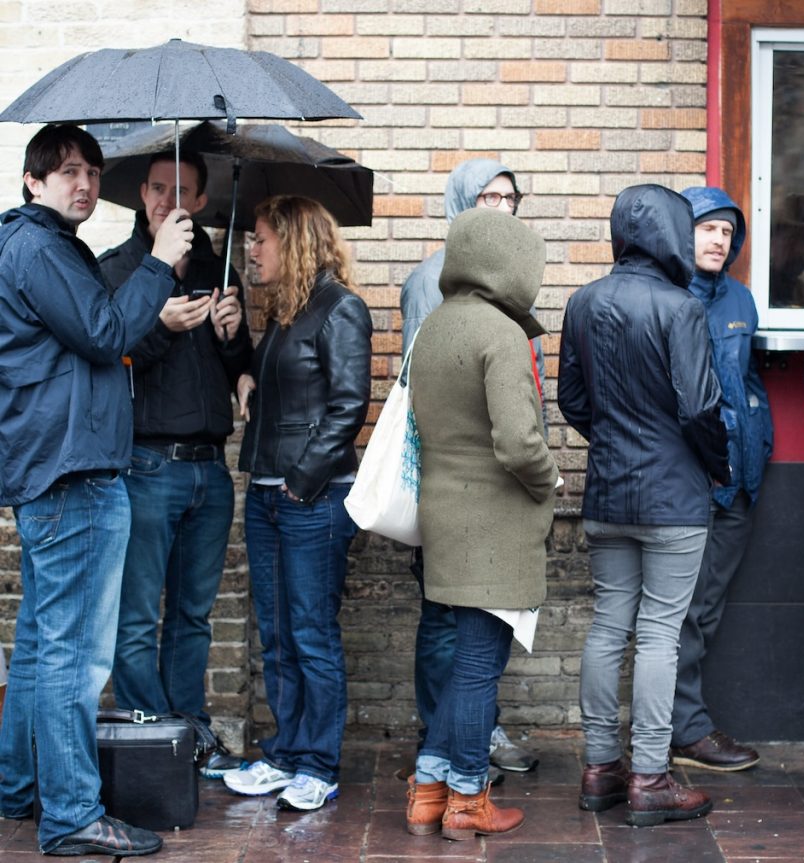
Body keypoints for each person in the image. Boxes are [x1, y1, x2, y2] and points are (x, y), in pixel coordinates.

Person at [0, 124, 192, 856]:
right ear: (32, 181)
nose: (82, 183)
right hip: (72, 472)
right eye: (66, 172)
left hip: (59, 464)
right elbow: (103, 327)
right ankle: (74, 813)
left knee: (43, 647)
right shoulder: (39, 248)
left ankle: (20, 788)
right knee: (73, 655)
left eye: (91, 171)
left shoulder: (40, 247)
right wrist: (159, 261)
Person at [559, 184, 730, 827]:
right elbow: (701, 408)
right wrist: (717, 465)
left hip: (606, 489)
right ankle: (651, 778)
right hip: (673, 496)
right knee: (659, 633)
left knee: (608, 626)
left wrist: (613, 439)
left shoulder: (583, 301)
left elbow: (573, 399)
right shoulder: (682, 307)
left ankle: (601, 770)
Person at [404, 207, 558, 841]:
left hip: (442, 518)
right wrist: (549, 482)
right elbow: (521, 444)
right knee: (476, 668)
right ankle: (468, 801)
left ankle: (428, 791)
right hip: (494, 527)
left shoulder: (435, 327)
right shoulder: (499, 333)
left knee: (460, 663)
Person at [99, 151, 252, 779]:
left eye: (181, 191)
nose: (168, 201)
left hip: (210, 471)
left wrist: (235, 339)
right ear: (142, 193)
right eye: (159, 189)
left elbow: (236, 362)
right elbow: (105, 356)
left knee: (193, 615)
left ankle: (188, 733)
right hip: (146, 465)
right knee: (136, 617)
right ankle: (148, 739)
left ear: (200, 199)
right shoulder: (119, 270)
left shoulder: (221, 270)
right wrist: (157, 325)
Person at [222, 196, 371, 812]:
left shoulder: (341, 309)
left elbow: (349, 405)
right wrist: (243, 363)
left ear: (293, 240)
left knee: (311, 633)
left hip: (311, 497)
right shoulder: (285, 312)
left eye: (260, 240)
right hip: (267, 495)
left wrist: (301, 481)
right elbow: (280, 392)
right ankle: (285, 754)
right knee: (278, 634)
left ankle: (318, 763)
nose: (251, 251)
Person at [669, 186, 773, 773]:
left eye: (728, 231)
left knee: (705, 609)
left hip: (740, 479)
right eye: (707, 227)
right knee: (682, 611)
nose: (718, 239)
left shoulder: (741, 299)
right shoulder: (668, 295)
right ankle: (684, 728)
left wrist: (761, 437)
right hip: (690, 481)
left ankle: (682, 725)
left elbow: (748, 378)